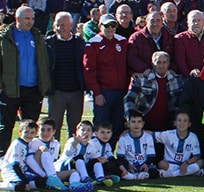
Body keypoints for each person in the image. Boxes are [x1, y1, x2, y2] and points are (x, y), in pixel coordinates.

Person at [0, 6, 49, 158]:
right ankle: (3, 157)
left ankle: (27, 156)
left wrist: (44, 86)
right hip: (10, 89)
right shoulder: (4, 38)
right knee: (6, 125)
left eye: (32, 19)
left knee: (30, 126)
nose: (30, 22)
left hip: (33, 89)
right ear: (18, 19)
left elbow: (44, 62)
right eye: (27, 19)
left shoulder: (37, 37)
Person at [84, 15, 129, 144]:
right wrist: (97, 93)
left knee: (117, 127)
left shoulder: (122, 41)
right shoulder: (93, 43)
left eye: (113, 26)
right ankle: (97, 157)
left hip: (120, 92)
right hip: (103, 92)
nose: (110, 29)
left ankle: (109, 157)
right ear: (100, 26)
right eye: (106, 26)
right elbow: (89, 70)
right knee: (101, 127)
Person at [45, 11, 86, 139]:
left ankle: (72, 156)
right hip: (57, 92)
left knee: (75, 128)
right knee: (54, 127)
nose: (61, 28)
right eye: (58, 25)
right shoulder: (48, 44)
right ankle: (53, 155)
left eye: (64, 25)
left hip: (76, 92)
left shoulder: (80, 43)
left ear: (71, 25)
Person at [155, 110, 204, 178]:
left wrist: (187, 163)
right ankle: (190, 172)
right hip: (171, 164)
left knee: (201, 162)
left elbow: (197, 155)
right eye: (179, 120)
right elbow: (152, 135)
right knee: (161, 164)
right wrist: (137, 131)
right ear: (175, 123)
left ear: (189, 124)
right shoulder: (168, 134)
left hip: (186, 163)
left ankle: (172, 174)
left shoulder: (193, 137)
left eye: (185, 121)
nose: (182, 123)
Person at [115, 110, 158, 181]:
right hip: (130, 165)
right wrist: (129, 165)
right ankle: (138, 176)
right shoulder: (123, 138)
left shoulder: (148, 137)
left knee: (154, 172)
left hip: (144, 164)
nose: (136, 125)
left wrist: (146, 164)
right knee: (119, 169)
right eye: (133, 122)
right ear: (128, 124)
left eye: (139, 122)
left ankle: (134, 176)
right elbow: (120, 157)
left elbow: (151, 156)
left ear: (143, 124)